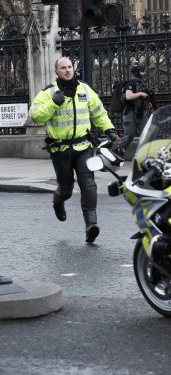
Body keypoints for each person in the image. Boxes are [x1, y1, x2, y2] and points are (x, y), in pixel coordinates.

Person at [29, 57, 118, 244]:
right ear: (57, 71)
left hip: (83, 146)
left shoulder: (84, 89)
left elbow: (98, 112)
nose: (68, 70)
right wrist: (53, 103)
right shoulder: (49, 92)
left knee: (89, 184)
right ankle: (58, 200)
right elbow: (35, 116)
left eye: (70, 67)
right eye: (63, 68)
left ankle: (91, 226)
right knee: (67, 190)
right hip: (60, 149)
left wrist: (108, 130)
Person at [115, 63, 152, 157]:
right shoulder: (131, 83)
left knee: (147, 132)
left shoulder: (141, 83)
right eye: (142, 70)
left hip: (140, 112)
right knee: (129, 135)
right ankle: (118, 152)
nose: (143, 72)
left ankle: (145, 154)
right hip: (130, 112)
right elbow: (128, 96)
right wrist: (140, 94)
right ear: (136, 72)